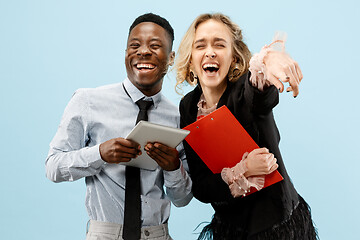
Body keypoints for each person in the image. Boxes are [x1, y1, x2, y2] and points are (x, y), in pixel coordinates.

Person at [45, 13, 193, 240]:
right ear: (126, 54)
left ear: (171, 57)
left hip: (158, 235)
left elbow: (182, 198)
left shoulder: (178, 116)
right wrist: (100, 154)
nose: (143, 51)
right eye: (134, 45)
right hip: (104, 234)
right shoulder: (88, 101)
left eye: (155, 46)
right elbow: (53, 167)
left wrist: (173, 167)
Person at [176, 13, 318, 239]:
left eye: (220, 44)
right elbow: (202, 186)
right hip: (230, 229)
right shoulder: (188, 107)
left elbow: (260, 96)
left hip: (276, 227)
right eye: (200, 45)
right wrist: (244, 170)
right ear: (191, 59)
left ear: (233, 57)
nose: (210, 51)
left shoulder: (244, 90)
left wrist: (266, 61)